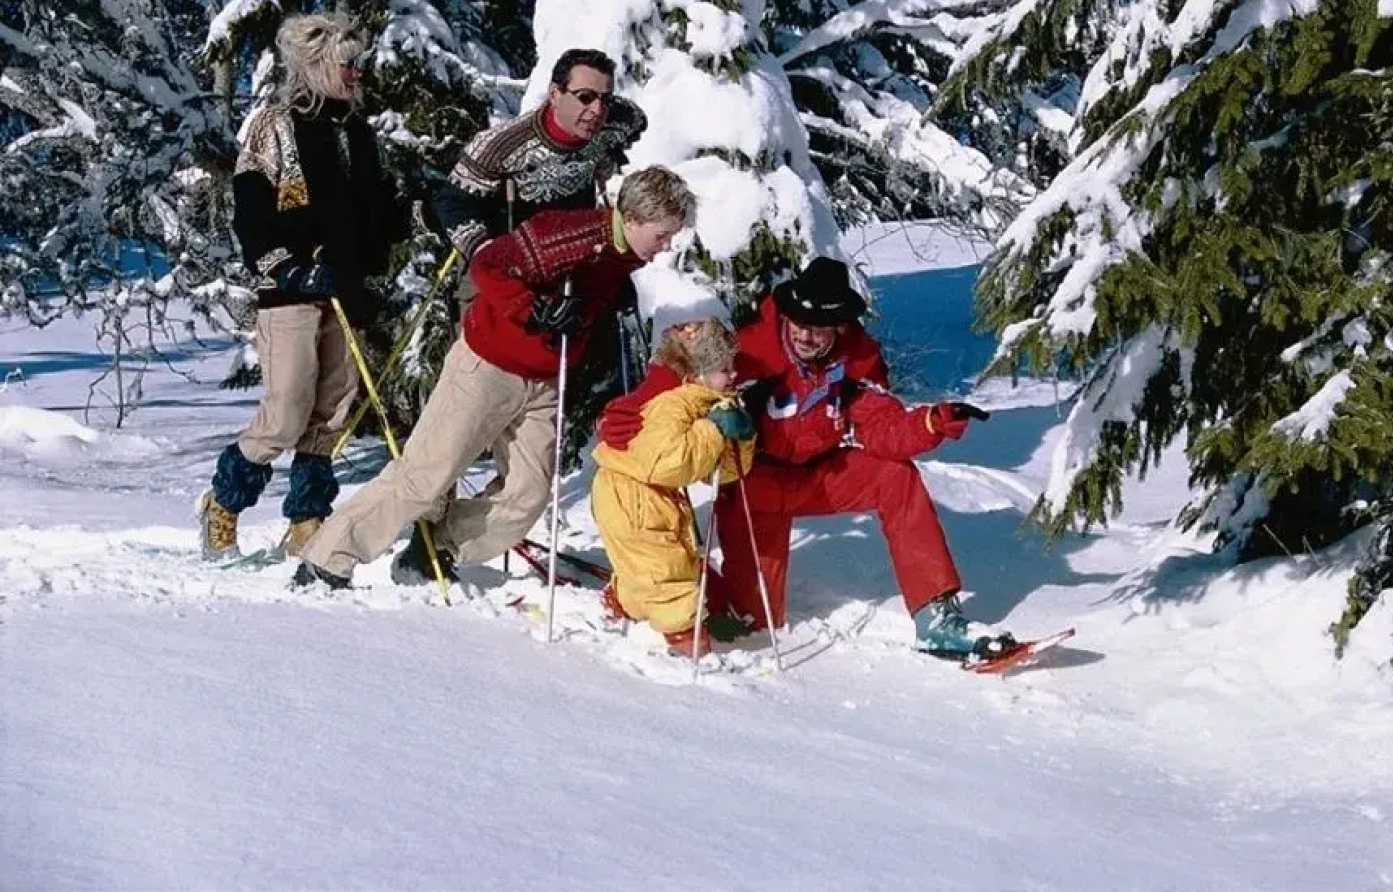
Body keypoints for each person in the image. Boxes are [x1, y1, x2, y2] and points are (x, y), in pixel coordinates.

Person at [292, 165, 696, 590]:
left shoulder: (623, 254)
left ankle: (437, 548)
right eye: (661, 235)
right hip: (488, 366)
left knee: (528, 495)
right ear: (631, 217)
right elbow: (489, 265)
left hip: (542, 383)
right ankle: (326, 560)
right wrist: (533, 310)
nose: (665, 247)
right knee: (424, 478)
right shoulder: (566, 234)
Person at [599, 257, 1014, 660]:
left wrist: (931, 423)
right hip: (754, 485)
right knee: (754, 623)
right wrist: (629, 409)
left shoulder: (857, 358)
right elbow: (684, 371)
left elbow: (881, 427)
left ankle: (936, 616)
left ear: (839, 327)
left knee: (895, 476)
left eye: (819, 329)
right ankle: (657, 592)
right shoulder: (753, 349)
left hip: (820, 476)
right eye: (799, 324)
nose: (806, 336)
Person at [199, 13, 407, 561]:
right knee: (287, 410)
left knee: (332, 414)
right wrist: (284, 264)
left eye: (359, 64)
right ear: (316, 66)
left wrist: (413, 214)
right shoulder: (274, 124)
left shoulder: (359, 133)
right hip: (290, 288)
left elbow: (380, 211)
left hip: (346, 288)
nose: (357, 73)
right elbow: (250, 208)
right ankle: (223, 503)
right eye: (349, 64)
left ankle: (308, 520)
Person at [589, 318, 755, 658]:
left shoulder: (705, 403)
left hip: (650, 496)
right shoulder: (672, 406)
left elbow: (722, 472)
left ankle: (625, 600)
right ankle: (686, 640)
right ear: (697, 375)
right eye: (724, 369)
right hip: (632, 495)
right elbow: (665, 463)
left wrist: (742, 437)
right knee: (664, 572)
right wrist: (711, 430)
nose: (734, 376)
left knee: (664, 563)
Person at [434, 48, 647, 280]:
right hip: (515, 262)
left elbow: (636, 122)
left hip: (579, 254)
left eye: (605, 99)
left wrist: (610, 157)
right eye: (585, 97)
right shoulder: (500, 145)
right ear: (555, 94)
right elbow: (452, 201)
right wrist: (486, 251)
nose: (597, 110)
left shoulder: (615, 120)